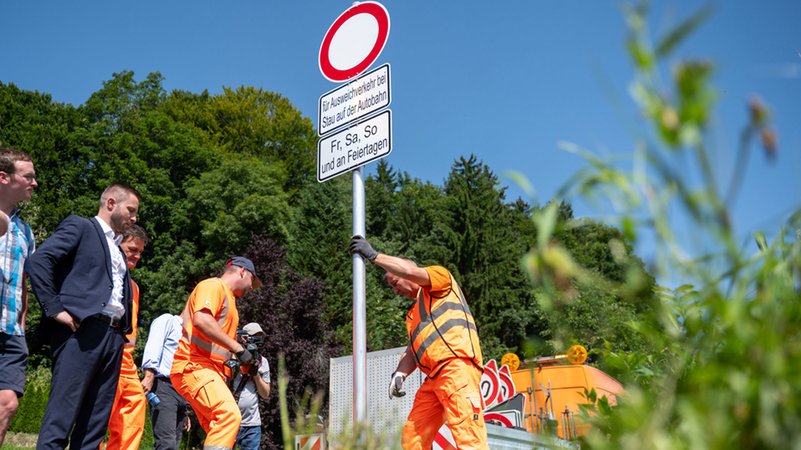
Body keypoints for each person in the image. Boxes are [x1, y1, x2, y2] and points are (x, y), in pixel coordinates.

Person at [27, 183, 141, 450]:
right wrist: (55, 309)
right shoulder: (81, 227)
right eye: (131, 210)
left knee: (94, 424)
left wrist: (121, 334)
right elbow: (39, 261)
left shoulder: (118, 248)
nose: (134, 218)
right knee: (62, 415)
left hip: (113, 338)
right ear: (111, 203)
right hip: (81, 331)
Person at [348, 236, 489, 450]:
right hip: (433, 380)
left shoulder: (441, 279)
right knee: (413, 439)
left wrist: (374, 256)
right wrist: (399, 374)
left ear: (405, 271)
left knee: (468, 438)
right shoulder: (414, 315)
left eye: (394, 283)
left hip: (456, 368)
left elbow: (410, 271)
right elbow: (413, 351)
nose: (395, 291)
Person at [170, 256, 262, 450]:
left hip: (207, 371)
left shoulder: (230, 301)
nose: (251, 288)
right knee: (228, 415)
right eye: (252, 281)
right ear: (242, 271)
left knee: (221, 430)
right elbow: (202, 320)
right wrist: (239, 349)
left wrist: (244, 363)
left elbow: (220, 346)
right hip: (194, 366)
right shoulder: (213, 286)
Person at [0, 147, 37, 446]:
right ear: (4, 177)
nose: (34, 183)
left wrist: (22, 327)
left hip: (11, 330)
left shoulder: (25, 231)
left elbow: (24, 283)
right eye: (28, 176)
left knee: (8, 404)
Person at [103, 225, 149, 450]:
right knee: (102, 411)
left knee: (135, 405)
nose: (137, 256)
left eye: (140, 252)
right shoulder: (106, 275)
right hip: (107, 353)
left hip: (127, 361)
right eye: (132, 249)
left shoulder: (134, 287)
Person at [141, 313, 189, 450]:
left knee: (175, 443)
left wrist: (186, 407)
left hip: (182, 391)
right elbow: (154, 346)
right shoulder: (168, 320)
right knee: (166, 444)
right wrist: (149, 376)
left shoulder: (191, 333)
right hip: (164, 386)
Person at [232, 323, 271, 450]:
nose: (257, 341)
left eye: (260, 337)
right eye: (254, 336)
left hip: (252, 424)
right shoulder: (231, 356)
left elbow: (265, 394)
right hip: (230, 420)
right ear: (243, 337)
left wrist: (255, 374)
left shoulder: (262, 361)